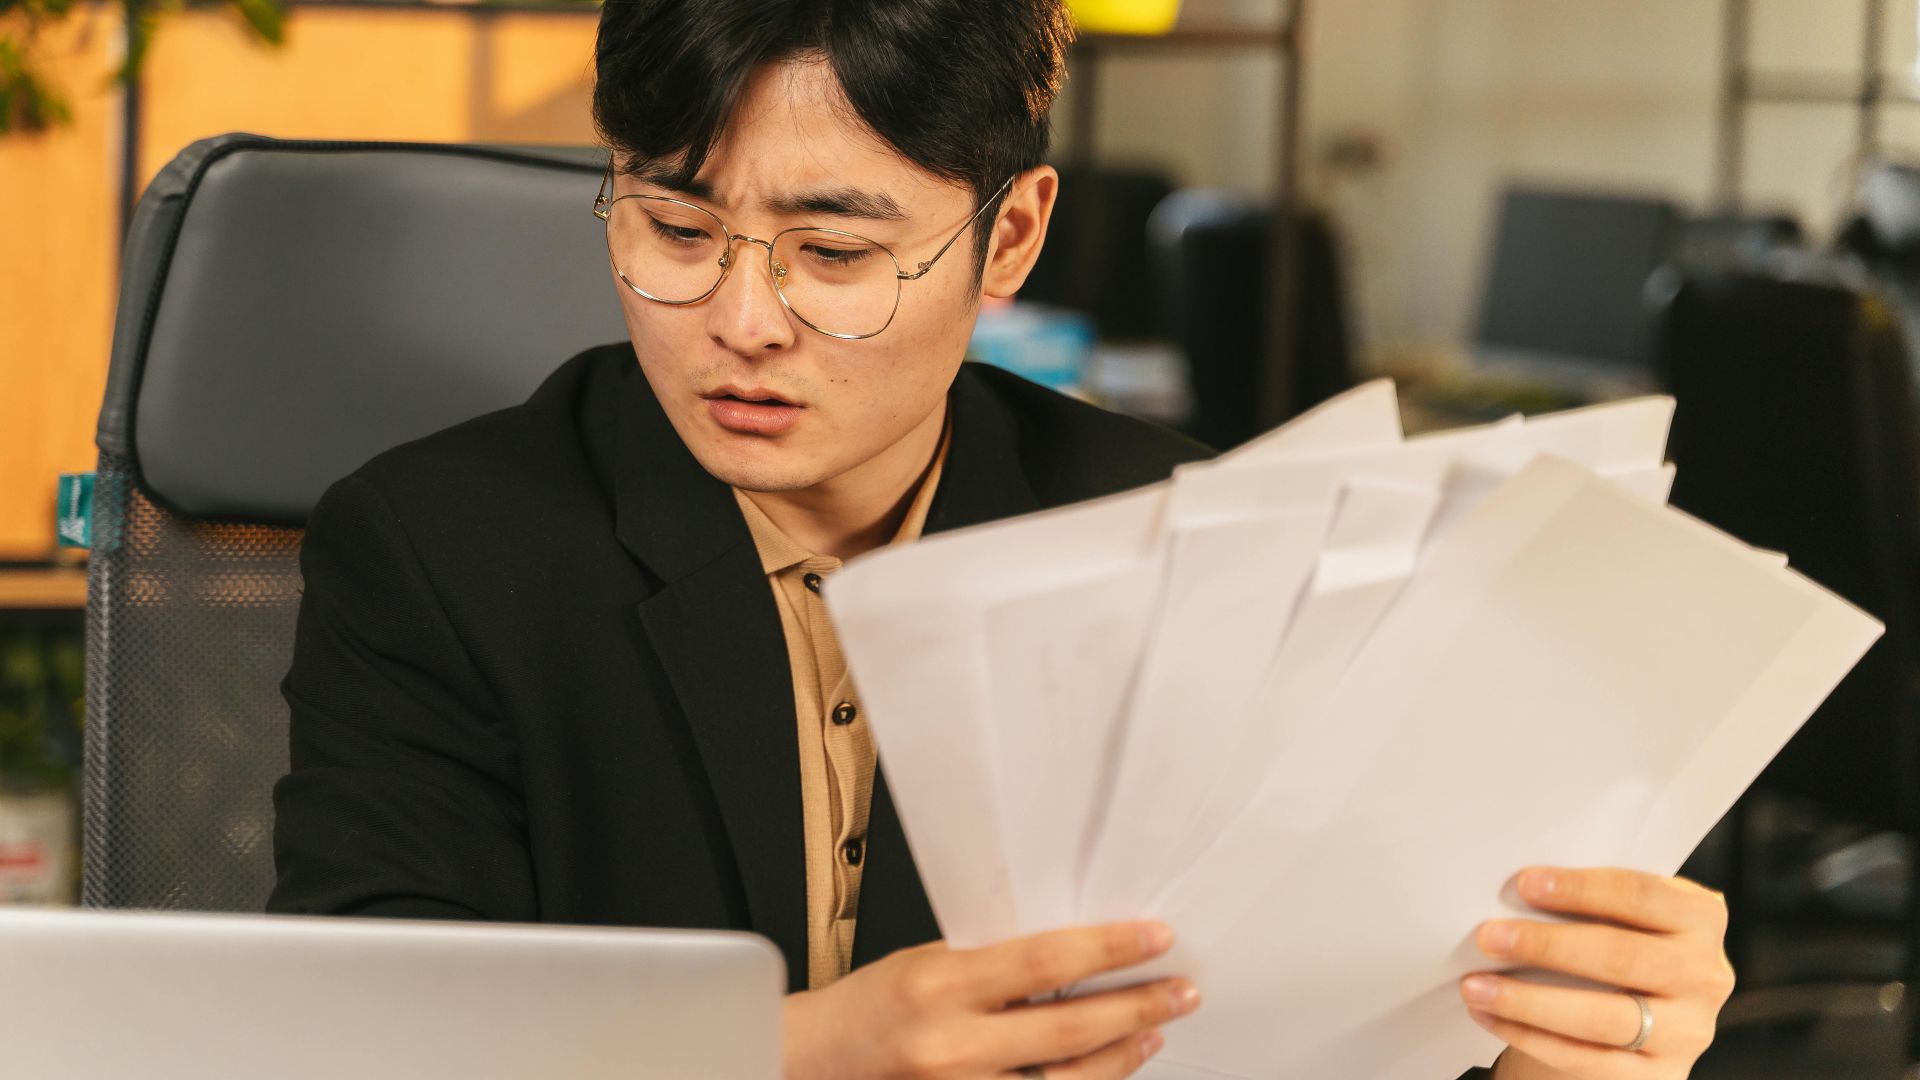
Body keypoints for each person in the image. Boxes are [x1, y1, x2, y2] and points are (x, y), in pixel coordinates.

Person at [266, 1, 1736, 1077]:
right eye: (675, 227)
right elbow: (361, 1042)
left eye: (836, 253)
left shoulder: (1187, 536)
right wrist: (800, 1052)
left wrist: (1553, 1051)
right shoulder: (441, 551)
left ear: (1012, 239)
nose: (743, 319)